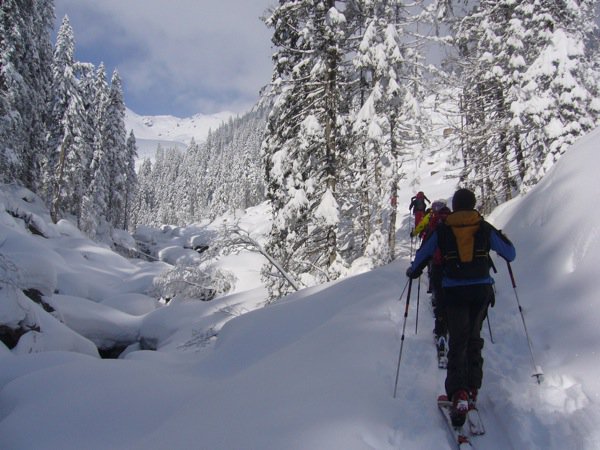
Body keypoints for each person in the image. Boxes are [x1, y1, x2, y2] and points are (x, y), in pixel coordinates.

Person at [405, 188, 515, 427]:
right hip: (481, 291)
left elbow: (423, 255)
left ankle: (458, 394)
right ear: (473, 204)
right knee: (474, 339)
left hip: (453, 291)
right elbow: (510, 253)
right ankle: (472, 388)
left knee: (458, 341)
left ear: (454, 206)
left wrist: (413, 272)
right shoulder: (483, 227)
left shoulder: (444, 229)